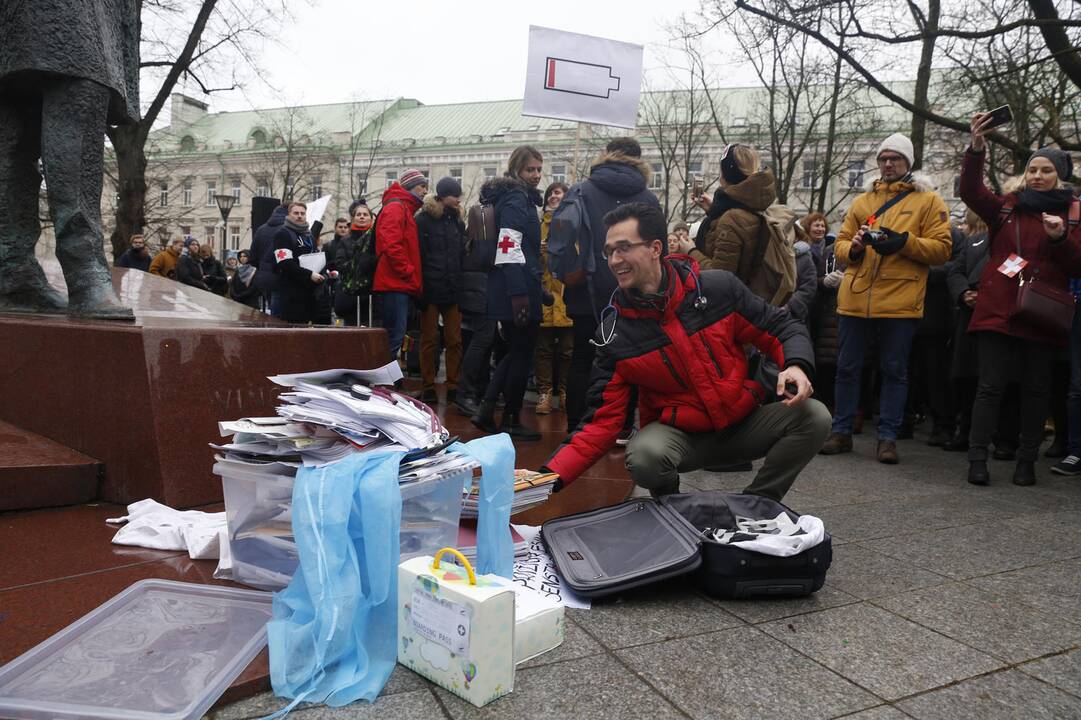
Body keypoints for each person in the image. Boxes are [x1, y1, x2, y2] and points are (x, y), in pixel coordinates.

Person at [540, 202, 830, 500]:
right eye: (609, 251)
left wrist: (796, 364)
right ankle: (672, 510)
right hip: (680, 439)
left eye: (624, 247)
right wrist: (543, 480)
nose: (614, 260)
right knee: (644, 457)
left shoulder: (718, 289)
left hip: (744, 422)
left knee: (814, 416)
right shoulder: (615, 334)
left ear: (655, 248)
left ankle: (757, 503)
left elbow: (781, 327)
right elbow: (601, 424)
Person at [960, 113, 1081, 486]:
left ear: (1059, 176)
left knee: (1036, 389)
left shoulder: (1072, 215)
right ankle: (977, 459)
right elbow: (971, 192)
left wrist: (1060, 237)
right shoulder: (1007, 207)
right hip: (999, 307)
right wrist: (977, 149)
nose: (1038, 177)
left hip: (1042, 312)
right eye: (1033, 170)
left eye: (1046, 171)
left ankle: (1026, 461)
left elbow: (1078, 265)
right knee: (990, 386)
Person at [819, 132, 952, 464]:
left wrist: (903, 242)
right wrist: (855, 248)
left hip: (900, 299)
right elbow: (839, 245)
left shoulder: (929, 200)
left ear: (908, 162)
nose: (888, 164)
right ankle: (842, 431)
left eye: (895, 158)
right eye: (883, 159)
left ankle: (887, 438)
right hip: (856, 297)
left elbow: (942, 250)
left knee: (894, 370)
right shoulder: (862, 202)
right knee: (847, 368)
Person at [551, 137, 661, 436]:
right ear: (639, 160)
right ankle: (623, 427)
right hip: (633, 290)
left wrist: (567, 273)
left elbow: (559, 234)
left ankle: (577, 427)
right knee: (630, 360)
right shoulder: (648, 199)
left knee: (583, 359)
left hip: (587, 288)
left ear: (607, 156)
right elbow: (657, 249)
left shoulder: (581, 190)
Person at [471, 146, 547, 439]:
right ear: (517, 169)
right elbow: (508, 246)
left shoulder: (513, 197)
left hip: (511, 286)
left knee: (515, 352)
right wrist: (520, 293)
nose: (536, 175)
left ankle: (487, 410)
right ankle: (511, 419)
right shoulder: (516, 199)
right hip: (515, 288)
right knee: (522, 354)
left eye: (539, 169)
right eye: (530, 169)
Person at [944, 209, 1020, 455]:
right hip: (969, 312)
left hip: (1001, 312)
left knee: (1004, 379)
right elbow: (955, 270)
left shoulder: (1017, 241)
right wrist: (964, 292)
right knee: (966, 377)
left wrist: (987, 294)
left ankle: (1005, 437)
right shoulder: (973, 241)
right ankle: (965, 431)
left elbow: (1017, 268)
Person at [686, 143, 797, 305]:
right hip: (750, 302)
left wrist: (690, 251)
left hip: (726, 309)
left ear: (726, 174)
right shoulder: (755, 205)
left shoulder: (732, 219)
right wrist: (714, 210)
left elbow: (720, 277)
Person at [414, 177, 466, 403]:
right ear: (444, 196)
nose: (458, 199)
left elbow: (460, 256)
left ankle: (453, 385)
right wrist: (420, 290)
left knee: (455, 340)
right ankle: (428, 385)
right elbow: (419, 256)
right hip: (430, 288)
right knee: (429, 340)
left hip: (453, 289)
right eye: (455, 195)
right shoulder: (423, 221)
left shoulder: (457, 222)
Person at [375, 169, 426, 360]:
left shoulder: (403, 208)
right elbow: (391, 244)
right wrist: (407, 271)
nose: (424, 191)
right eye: (422, 186)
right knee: (393, 337)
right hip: (394, 282)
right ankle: (382, 385)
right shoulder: (396, 208)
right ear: (410, 186)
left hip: (398, 282)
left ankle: (388, 384)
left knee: (395, 336)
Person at [536, 181, 573, 414]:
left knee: (569, 349)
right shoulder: (538, 225)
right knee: (544, 348)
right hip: (544, 293)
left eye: (558, 192)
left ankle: (566, 391)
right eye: (550, 192)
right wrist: (538, 253)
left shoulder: (574, 224)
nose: (553, 195)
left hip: (568, 293)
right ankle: (545, 392)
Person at [272, 202, 326, 324]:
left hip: (309, 292)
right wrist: (309, 274)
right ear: (289, 215)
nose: (299, 216)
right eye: (296, 213)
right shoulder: (282, 234)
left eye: (302, 213)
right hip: (291, 294)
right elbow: (285, 263)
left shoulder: (309, 236)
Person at [332, 201, 376, 326]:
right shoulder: (345, 240)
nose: (362, 217)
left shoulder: (376, 238)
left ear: (371, 218)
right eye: (359, 214)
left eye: (365, 214)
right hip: (352, 294)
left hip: (372, 295)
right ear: (353, 218)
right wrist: (357, 264)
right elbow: (340, 264)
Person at [251, 203, 288, 314]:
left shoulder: (261, 229)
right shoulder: (287, 229)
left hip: (265, 277)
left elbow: (253, 255)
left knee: (272, 310)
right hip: (282, 276)